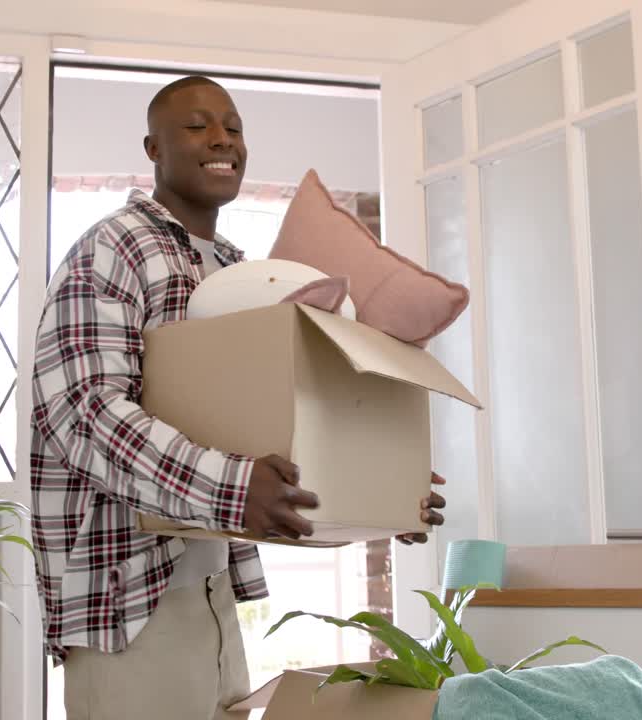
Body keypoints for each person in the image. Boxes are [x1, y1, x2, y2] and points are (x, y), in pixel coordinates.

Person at [30, 76, 448, 720]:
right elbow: (86, 415)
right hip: (127, 599)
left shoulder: (235, 271)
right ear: (153, 148)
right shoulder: (113, 249)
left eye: (233, 126)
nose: (222, 138)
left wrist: (381, 493)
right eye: (197, 126)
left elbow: (276, 428)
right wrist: (234, 484)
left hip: (212, 588)